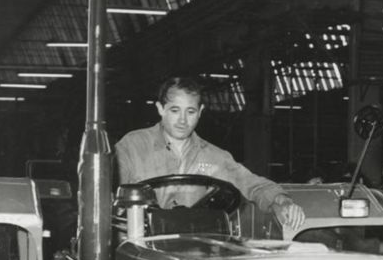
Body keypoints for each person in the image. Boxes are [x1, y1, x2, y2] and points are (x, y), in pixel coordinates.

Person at [115, 76, 305, 230]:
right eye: (175, 110)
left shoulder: (216, 158)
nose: (182, 120)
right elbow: (110, 194)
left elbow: (254, 185)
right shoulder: (132, 146)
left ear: (200, 112)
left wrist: (282, 203)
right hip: (142, 244)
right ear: (160, 109)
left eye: (190, 111)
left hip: (197, 245)